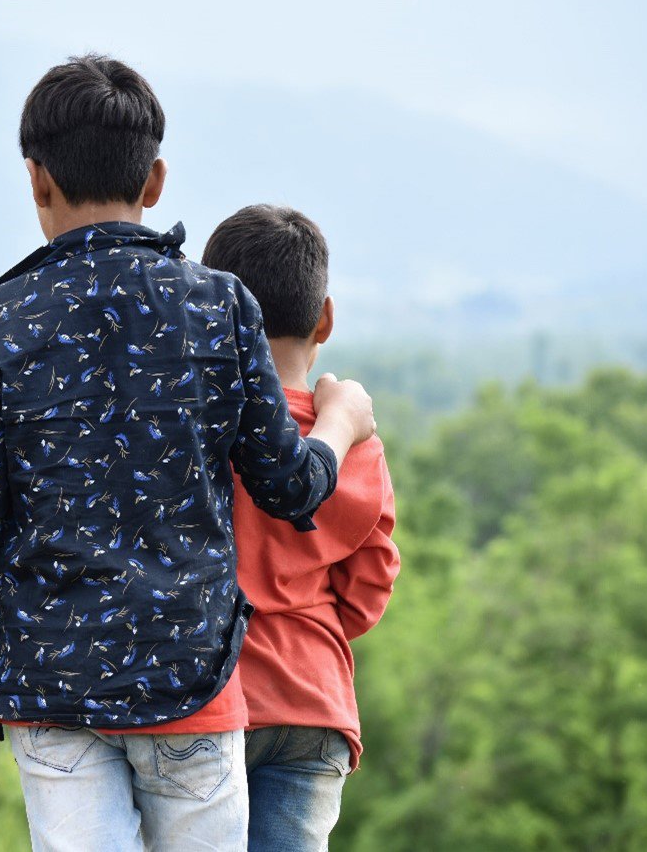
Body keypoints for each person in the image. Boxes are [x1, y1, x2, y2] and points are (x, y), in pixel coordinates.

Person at [0, 55, 376, 852]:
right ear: (155, 180)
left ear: (35, 181)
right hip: (189, 679)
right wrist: (342, 420)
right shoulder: (219, 305)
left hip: (48, 686)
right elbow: (289, 488)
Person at [201, 205, 401, 852]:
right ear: (325, 318)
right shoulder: (351, 438)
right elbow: (368, 587)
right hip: (314, 704)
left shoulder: (191, 430)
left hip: (208, 700)